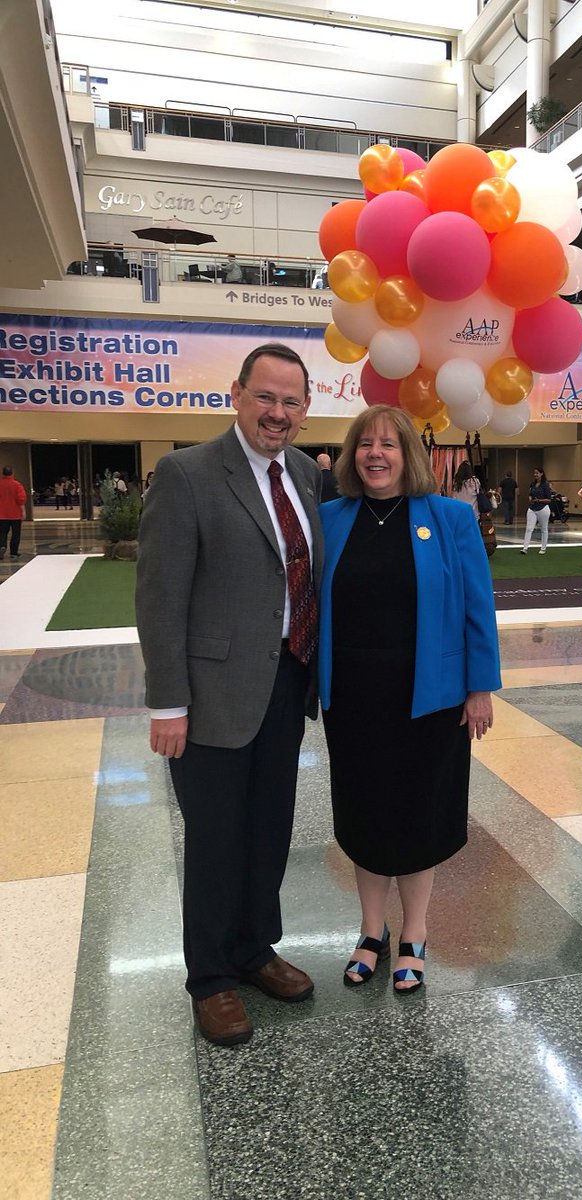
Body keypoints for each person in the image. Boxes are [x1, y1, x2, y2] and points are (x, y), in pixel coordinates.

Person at [135, 342, 323, 1047]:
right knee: (217, 838)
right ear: (237, 395)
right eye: (266, 397)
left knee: (269, 829)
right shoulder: (186, 474)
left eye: (290, 402)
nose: (277, 413)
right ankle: (210, 978)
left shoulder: (306, 475)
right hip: (210, 695)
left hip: (286, 683)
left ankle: (253, 950)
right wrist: (167, 703)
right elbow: (159, 598)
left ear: (305, 410)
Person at [318, 405, 501, 994]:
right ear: (352, 455)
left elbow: (478, 607)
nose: (376, 454)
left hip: (431, 701)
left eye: (389, 445)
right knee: (365, 815)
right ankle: (372, 932)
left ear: (409, 457)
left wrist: (480, 687)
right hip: (351, 701)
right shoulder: (331, 519)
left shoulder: (450, 518)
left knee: (417, 816)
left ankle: (414, 934)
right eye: (365, 444)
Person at [521, 468, 552, 554]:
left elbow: (549, 500)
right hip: (532, 508)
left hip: (543, 509)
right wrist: (530, 498)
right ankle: (525, 548)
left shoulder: (545, 485)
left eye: (537, 473)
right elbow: (530, 494)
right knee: (529, 528)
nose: (535, 475)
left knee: (544, 529)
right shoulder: (532, 484)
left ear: (541, 474)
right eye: (534, 473)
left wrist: (539, 500)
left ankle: (543, 548)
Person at [0, 465, 27, 561]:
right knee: (16, 533)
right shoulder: (17, 485)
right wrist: (23, 511)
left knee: (2, 533)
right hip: (15, 514)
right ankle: (14, 552)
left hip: (1, 514)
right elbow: (21, 499)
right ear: (12, 473)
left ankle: (2, 546)